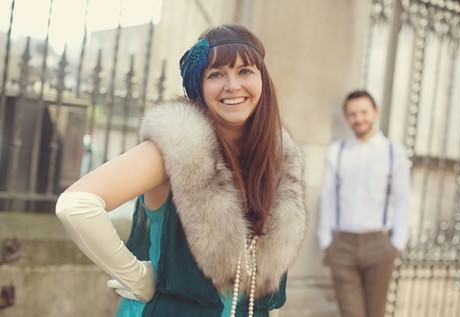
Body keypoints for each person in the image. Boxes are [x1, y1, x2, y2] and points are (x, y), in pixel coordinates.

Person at [55, 24, 307, 317]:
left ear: (262, 80)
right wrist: (138, 279)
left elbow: (262, 282)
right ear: (198, 85)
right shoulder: (175, 150)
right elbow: (76, 205)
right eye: (216, 74)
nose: (232, 85)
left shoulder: (275, 159)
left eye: (245, 71)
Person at [317, 90, 410, 317]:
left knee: (375, 313)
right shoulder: (337, 151)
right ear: (347, 117)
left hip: (379, 244)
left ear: (375, 112)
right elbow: (328, 196)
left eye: (363, 112)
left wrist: (397, 241)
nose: (359, 119)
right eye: (352, 114)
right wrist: (326, 240)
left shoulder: (393, 152)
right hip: (343, 245)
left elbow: (402, 198)